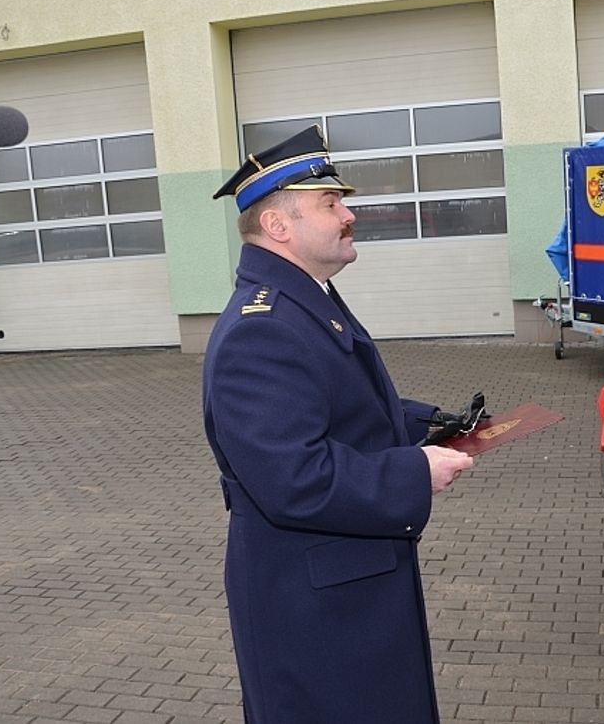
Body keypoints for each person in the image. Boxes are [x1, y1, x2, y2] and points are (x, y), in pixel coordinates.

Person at [203, 125, 474, 724]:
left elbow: (337, 407)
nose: (348, 214)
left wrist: (432, 424)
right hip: (312, 608)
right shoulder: (263, 328)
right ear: (279, 226)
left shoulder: (304, 296)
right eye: (331, 204)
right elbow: (294, 476)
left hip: (340, 586)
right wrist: (414, 471)